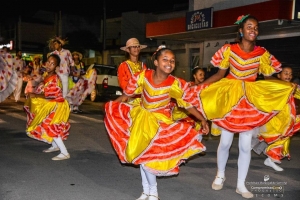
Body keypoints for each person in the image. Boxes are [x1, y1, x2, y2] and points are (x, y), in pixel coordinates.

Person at [192, 15, 296, 199]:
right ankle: (220, 175)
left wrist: (286, 86)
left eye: (256, 28)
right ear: (241, 30)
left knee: (245, 146)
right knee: (225, 142)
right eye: (249, 27)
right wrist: (200, 88)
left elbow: (268, 77)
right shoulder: (229, 50)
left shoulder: (262, 53)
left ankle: (241, 184)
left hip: (250, 100)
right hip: (229, 98)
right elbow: (219, 74)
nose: (253, 30)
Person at [104, 46, 209, 200]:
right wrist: (113, 106)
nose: (169, 63)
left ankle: (153, 193)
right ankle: (145, 191)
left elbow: (187, 104)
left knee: (148, 159)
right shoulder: (143, 76)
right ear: (156, 62)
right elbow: (127, 94)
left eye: (172, 61)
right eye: (165, 59)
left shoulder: (174, 83)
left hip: (161, 124)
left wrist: (201, 118)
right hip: (142, 119)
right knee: (141, 156)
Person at [253, 65, 300, 171]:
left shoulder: (293, 86)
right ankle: (270, 157)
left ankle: (271, 158)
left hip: (288, 117)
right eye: (286, 73)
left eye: (290, 74)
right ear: (279, 75)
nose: (288, 75)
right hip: (277, 118)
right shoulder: (276, 85)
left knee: (285, 137)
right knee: (280, 137)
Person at [24, 54, 71, 161]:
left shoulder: (54, 78)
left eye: (53, 64)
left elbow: (52, 95)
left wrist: (35, 95)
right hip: (51, 104)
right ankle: (55, 146)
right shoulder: (47, 74)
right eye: (49, 62)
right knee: (46, 124)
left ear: (56, 67)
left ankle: (64, 152)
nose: (49, 65)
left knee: (51, 126)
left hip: (56, 105)